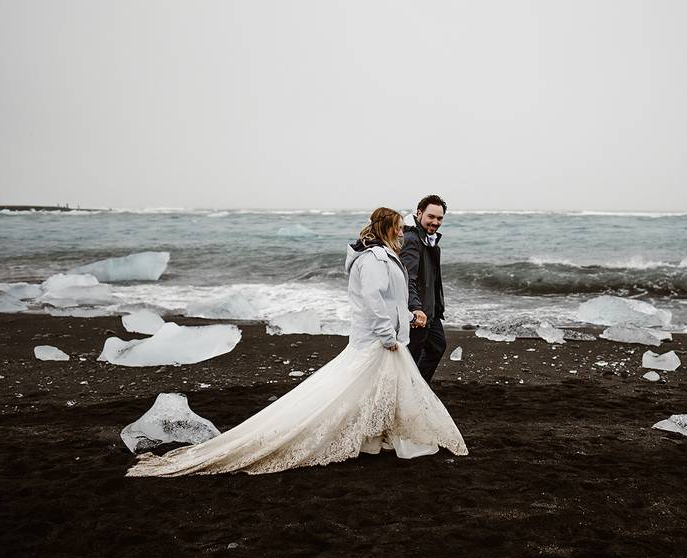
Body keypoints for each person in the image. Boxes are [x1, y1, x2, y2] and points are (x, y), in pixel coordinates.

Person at [127, 207, 467, 477]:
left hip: (384, 335)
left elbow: (389, 300)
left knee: (377, 389)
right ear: (387, 229)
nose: (402, 231)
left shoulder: (379, 255)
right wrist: (388, 334)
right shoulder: (375, 258)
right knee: (354, 387)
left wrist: (405, 318)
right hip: (379, 339)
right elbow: (374, 300)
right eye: (397, 225)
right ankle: (377, 439)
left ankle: (373, 440)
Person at [401, 194, 447, 383]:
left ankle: (418, 388)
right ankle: (409, 391)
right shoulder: (412, 238)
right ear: (419, 213)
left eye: (439, 218)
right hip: (418, 311)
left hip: (431, 309)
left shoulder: (430, 239)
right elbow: (407, 279)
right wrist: (415, 308)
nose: (435, 222)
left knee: (437, 346)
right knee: (410, 356)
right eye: (431, 216)